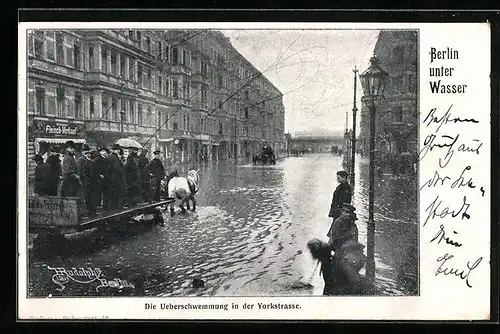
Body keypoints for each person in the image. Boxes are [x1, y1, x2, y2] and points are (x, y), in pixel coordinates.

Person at [308, 204, 366, 296]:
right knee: (335, 277)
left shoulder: (351, 224)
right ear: (343, 212)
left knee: (338, 278)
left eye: (349, 213)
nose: (349, 216)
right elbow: (335, 238)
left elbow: (352, 239)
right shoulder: (339, 222)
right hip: (341, 250)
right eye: (346, 213)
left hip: (345, 252)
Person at [327, 170, 352, 237]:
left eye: (338, 178)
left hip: (339, 212)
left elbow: (344, 202)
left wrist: (337, 210)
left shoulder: (345, 188)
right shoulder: (342, 187)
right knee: (334, 230)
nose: (337, 179)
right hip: (338, 211)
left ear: (344, 178)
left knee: (336, 230)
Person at [104, 144, 126, 210]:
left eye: (119, 150)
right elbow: (111, 168)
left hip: (115, 178)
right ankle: (114, 207)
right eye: (117, 150)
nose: (118, 151)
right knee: (114, 194)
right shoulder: (112, 157)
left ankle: (116, 207)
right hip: (113, 178)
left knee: (116, 193)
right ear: (114, 150)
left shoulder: (115, 157)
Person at [76, 145, 95, 216]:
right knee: (85, 196)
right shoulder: (81, 160)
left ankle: (89, 210)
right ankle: (85, 211)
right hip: (85, 180)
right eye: (86, 152)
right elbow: (79, 170)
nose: (88, 153)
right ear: (83, 152)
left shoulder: (89, 160)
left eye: (88, 152)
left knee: (89, 196)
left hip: (90, 180)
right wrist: (84, 176)